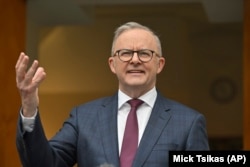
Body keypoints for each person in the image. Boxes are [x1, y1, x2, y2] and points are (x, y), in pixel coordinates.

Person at [15, 22, 209, 167]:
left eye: (144, 53)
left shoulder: (189, 122)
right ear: (112, 64)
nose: (135, 60)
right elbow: (43, 164)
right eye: (125, 53)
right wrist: (29, 107)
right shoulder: (83, 118)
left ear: (160, 64)